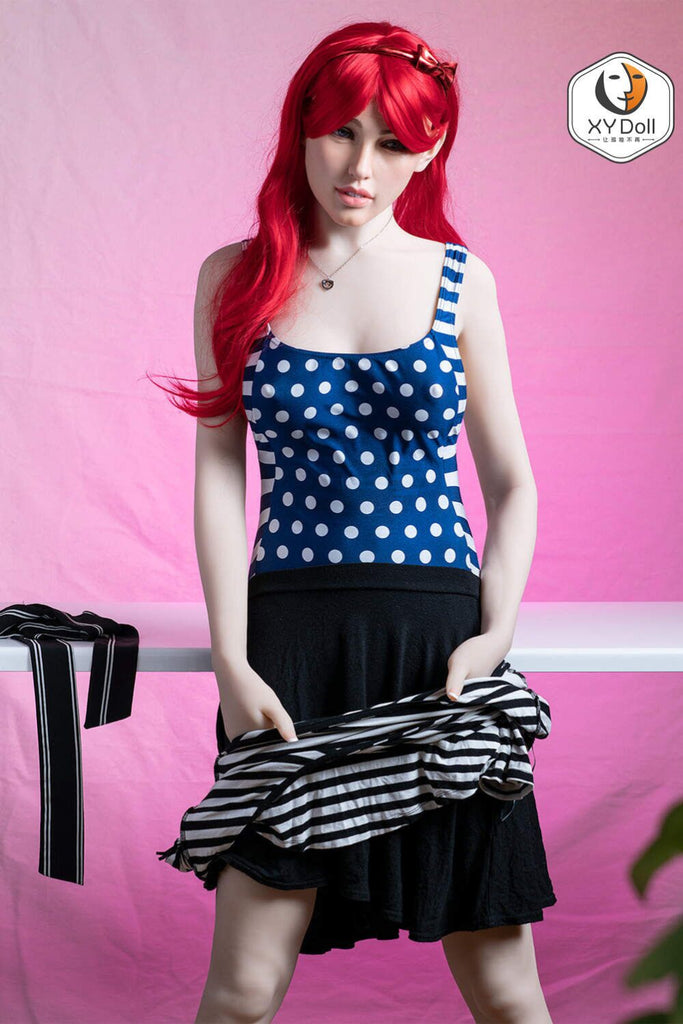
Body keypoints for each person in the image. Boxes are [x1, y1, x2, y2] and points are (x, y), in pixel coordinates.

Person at [151, 19, 556, 1024]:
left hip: (438, 646)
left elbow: (511, 483)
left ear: (431, 147)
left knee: (505, 990)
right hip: (290, 645)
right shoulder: (233, 276)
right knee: (243, 988)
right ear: (301, 127)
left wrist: (493, 636)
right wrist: (232, 660)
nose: (360, 166)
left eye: (392, 141)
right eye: (339, 132)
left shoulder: (459, 279)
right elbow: (219, 476)